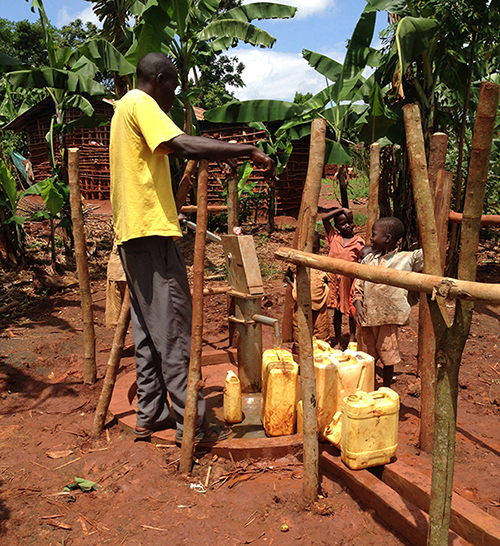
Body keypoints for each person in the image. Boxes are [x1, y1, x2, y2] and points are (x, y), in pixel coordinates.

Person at [110, 52, 275, 442]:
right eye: (173, 87)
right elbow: (183, 145)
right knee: (174, 328)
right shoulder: (140, 102)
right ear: (161, 79)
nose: (173, 97)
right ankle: (192, 423)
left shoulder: (121, 110)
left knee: (149, 331)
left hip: (133, 234)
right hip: (149, 233)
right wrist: (244, 150)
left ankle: (150, 412)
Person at [352, 217, 423, 388]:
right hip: (367, 317)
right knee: (368, 354)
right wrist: (358, 304)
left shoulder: (406, 259)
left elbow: (428, 252)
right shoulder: (368, 260)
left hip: (388, 318)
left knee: (388, 355)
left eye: (374, 234)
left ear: (388, 238)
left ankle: (385, 389)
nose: (370, 238)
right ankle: (368, 386)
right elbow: (359, 284)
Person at [322, 207, 365, 348]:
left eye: (350, 222)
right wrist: (341, 209)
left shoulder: (359, 242)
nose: (348, 226)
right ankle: (339, 340)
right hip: (334, 282)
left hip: (350, 282)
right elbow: (324, 219)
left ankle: (352, 339)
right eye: (343, 224)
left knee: (351, 310)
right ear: (337, 227)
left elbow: (362, 261)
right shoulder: (334, 238)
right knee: (337, 311)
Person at [286, 232, 332, 350]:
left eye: (314, 248)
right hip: (301, 305)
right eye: (308, 248)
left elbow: (328, 280)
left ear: (319, 248)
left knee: (322, 332)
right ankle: (299, 357)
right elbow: (287, 276)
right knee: (300, 331)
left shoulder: (322, 263)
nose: (310, 251)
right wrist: (296, 286)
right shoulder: (297, 263)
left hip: (320, 307)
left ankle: (321, 361)